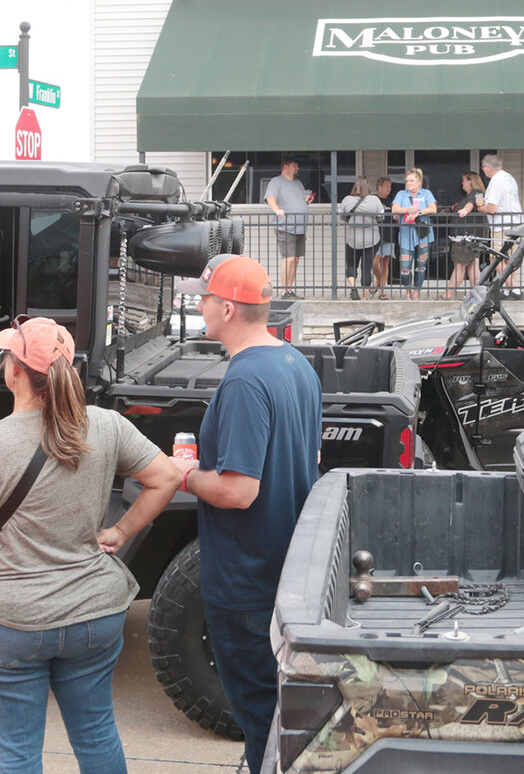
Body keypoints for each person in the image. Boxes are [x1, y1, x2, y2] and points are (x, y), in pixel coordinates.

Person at [0, 316, 181, 774]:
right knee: (96, 734)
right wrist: (121, 532)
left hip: (10, 621)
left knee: (18, 755)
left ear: (13, 371)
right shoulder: (105, 426)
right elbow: (166, 477)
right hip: (94, 614)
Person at [168, 255, 321, 774]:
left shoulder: (243, 383)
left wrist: (182, 475)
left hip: (247, 582)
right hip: (281, 572)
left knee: (261, 722)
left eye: (204, 297)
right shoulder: (294, 364)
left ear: (228, 308)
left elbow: (238, 492)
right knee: (279, 717)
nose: (199, 304)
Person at [264, 157, 311, 298]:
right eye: (294, 166)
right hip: (285, 226)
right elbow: (270, 197)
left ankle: (289, 290)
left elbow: (300, 199)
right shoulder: (276, 182)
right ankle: (284, 291)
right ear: (285, 167)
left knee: (296, 259)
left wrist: (306, 201)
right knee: (289, 258)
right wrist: (277, 210)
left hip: (300, 227)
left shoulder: (298, 183)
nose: (297, 169)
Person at [478, 153, 524, 298]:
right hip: (515, 222)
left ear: (488, 167)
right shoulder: (508, 177)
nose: (483, 170)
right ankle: (508, 290)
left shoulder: (496, 181)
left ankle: (515, 289)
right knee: (510, 259)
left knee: (495, 258)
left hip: (501, 225)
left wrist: (481, 207)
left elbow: (492, 208)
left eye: (483, 167)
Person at [391, 168, 437, 300]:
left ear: (419, 182)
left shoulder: (426, 193)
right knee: (405, 266)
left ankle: (416, 291)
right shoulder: (401, 194)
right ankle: (408, 290)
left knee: (421, 265)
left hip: (423, 234)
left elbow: (433, 208)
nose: (409, 183)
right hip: (406, 233)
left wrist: (419, 212)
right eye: (407, 181)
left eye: (412, 181)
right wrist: (406, 209)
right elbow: (394, 208)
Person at [338, 175, 383, 300]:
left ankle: (353, 287)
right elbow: (381, 217)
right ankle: (364, 296)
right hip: (371, 239)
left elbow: (342, 217)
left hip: (353, 239)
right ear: (367, 186)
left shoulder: (347, 200)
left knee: (351, 265)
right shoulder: (374, 200)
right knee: (366, 267)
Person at [446, 171, 488, 298]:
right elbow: (479, 205)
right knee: (473, 266)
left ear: (471, 181)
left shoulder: (476, 193)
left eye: (464, 180)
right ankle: (478, 294)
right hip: (473, 236)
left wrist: (465, 210)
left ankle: (447, 295)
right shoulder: (479, 194)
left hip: (465, 237)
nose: (462, 183)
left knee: (459, 266)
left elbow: (472, 204)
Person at [371, 176, 396, 300]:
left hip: (389, 234)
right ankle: (379, 280)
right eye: (387, 186)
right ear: (379, 187)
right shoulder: (373, 199)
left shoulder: (392, 200)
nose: (389, 189)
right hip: (375, 235)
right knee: (374, 262)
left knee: (385, 263)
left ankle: (382, 291)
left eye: (390, 187)